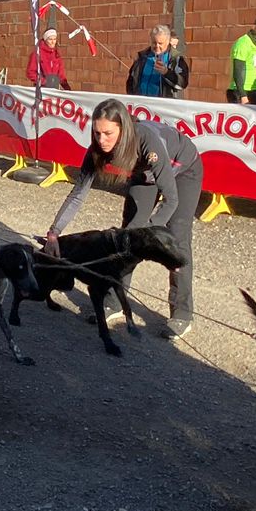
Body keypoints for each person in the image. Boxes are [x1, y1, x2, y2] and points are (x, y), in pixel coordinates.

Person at [42, 100, 201, 338]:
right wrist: (54, 232)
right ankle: (114, 302)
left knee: (176, 238)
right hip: (144, 174)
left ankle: (182, 313)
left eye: (108, 133)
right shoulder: (97, 149)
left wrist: (149, 235)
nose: (101, 140)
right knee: (128, 238)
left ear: (123, 129)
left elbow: (171, 199)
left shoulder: (146, 139)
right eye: (97, 133)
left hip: (182, 170)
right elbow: (77, 195)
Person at [126, 25, 189, 98]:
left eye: (160, 43)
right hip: (141, 104)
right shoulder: (142, 57)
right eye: (154, 42)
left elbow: (182, 84)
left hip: (163, 106)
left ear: (168, 42)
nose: (157, 46)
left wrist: (166, 72)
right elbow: (131, 80)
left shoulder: (176, 59)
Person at [26, 26, 70, 91]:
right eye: (50, 39)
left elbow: (61, 75)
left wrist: (67, 88)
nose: (53, 42)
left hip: (54, 90)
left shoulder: (57, 54)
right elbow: (30, 72)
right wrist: (44, 82)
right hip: (41, 90)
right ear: (46, 40)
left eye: (54, 39)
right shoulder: (37, 53)